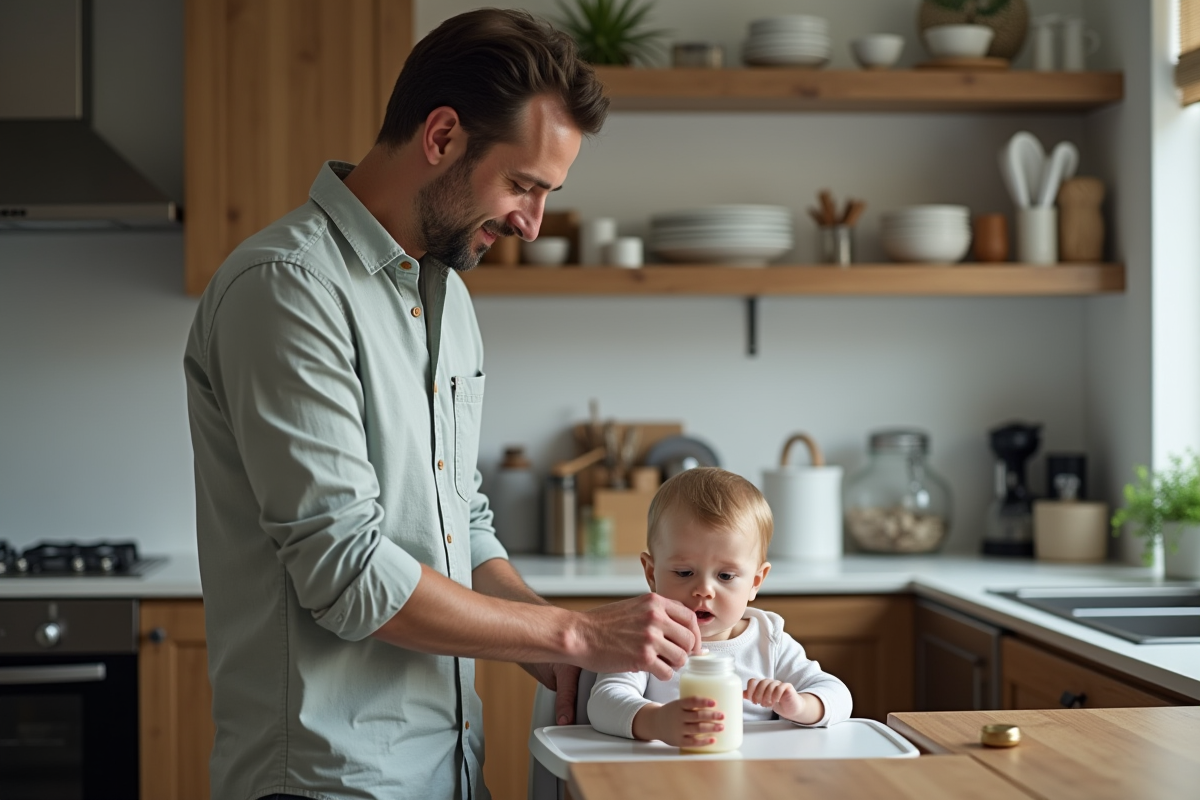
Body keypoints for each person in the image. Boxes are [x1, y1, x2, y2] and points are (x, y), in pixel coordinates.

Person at [183, 9, 702, 800]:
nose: (530, 223)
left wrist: (552, 650)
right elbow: (346, 569)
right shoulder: (288, 290)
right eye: (523, 185)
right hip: (329, 781)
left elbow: (462, 525)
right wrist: (575, 630)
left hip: (447, 772)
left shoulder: (446, 299)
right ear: (443, 137)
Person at [588, 468, 853, 747]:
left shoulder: (768, 641)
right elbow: (604, 702)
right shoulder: (644, 637)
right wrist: (657, 722)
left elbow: (838, 695)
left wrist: (800, 706)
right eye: (684, 572)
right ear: (652, 573)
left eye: (725, 576)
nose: (704, 589)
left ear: (755, 582)